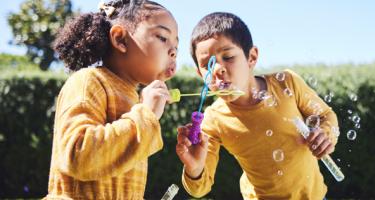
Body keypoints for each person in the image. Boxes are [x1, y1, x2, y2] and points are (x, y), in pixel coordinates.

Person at [176, 12, 339, 200]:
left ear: (251, 57)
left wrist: (325, 134)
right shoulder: (213, 120)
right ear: (199, 74)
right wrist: (194, 168)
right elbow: (199, 189)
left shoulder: (287, 83)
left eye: (228, 57)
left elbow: (326, 115)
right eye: (207, 65)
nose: (218, 69)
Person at [44, 0, 178, 199]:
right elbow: (78, 155)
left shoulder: (135, 100)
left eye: (176, 45)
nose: (173, 51)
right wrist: (144, 116)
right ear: (120, 39)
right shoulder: (88, 82)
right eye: (162, 37)